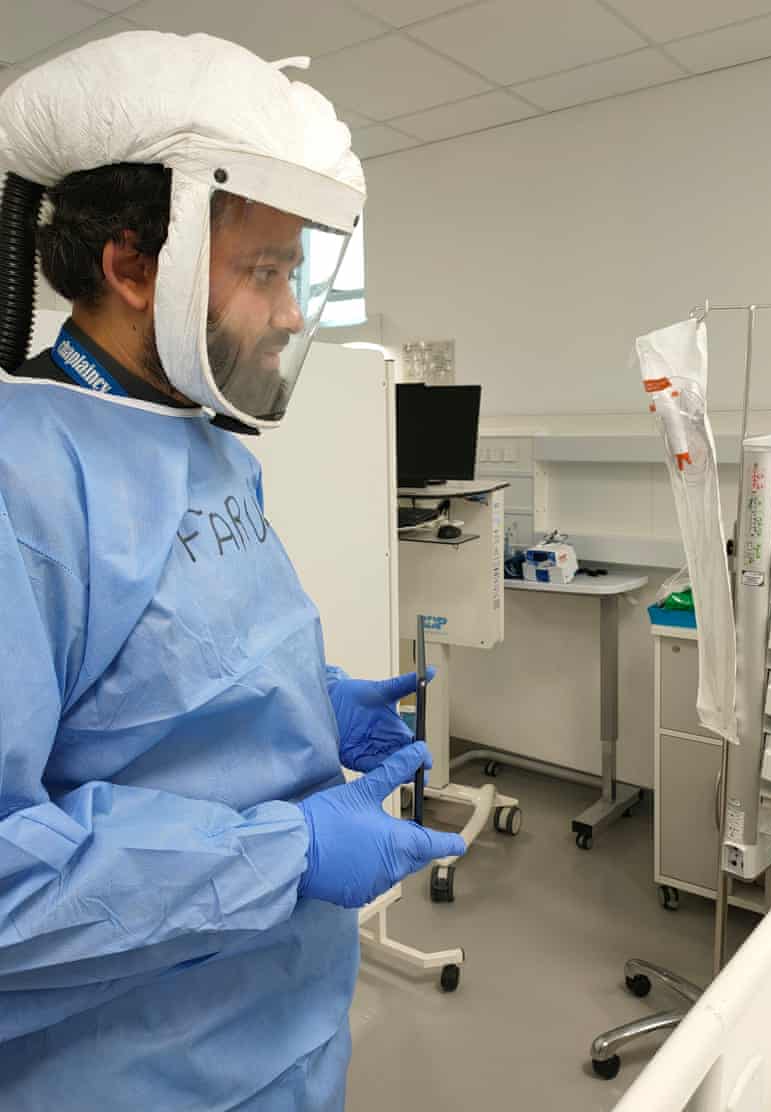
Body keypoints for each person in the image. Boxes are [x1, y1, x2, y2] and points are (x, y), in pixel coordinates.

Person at [0, 31, 465, 1110]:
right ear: (131, 267)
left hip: (284, 1024)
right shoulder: (23, 476)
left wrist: (306, 703)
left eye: (293, 270)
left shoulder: (197, 439)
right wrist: (283, 851)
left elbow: (171, 678)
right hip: (128, 1062)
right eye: (265, 270)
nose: (294, 311)